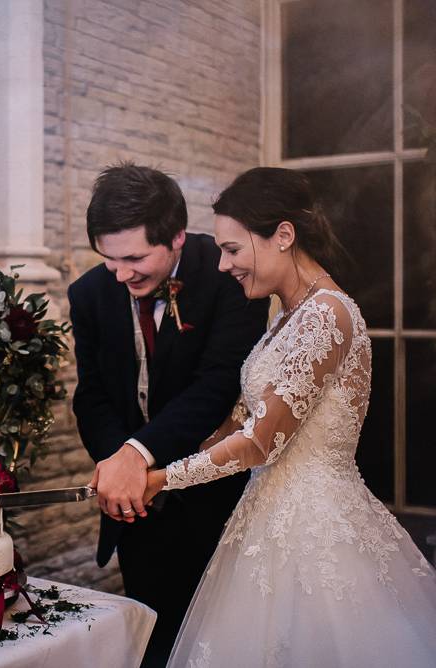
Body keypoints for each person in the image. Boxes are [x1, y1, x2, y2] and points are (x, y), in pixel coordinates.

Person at [139, 167, 436, 666]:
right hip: (268, 518)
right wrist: (148, 461)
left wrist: (162, 479)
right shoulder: (287, 316)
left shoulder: (327, 314)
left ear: (283, 235)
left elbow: (260, 443)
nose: (221, 265)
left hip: (315, 534)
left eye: (232, 249)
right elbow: (237, 423)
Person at [68, 163, 269, 667]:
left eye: (134, 258)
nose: (120, 274)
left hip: (216, 499)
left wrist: (140, 453)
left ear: (177, 236)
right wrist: (121, 466)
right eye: (108, 258)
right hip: (136, 511)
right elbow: (91, 395)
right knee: (154, 645)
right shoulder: (89, 294)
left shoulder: (228, 275)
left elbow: (218, 385)